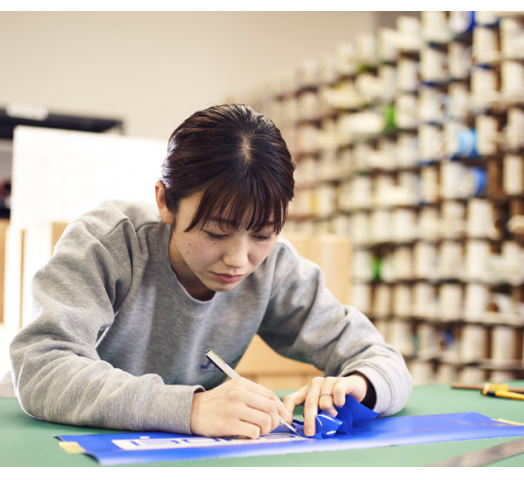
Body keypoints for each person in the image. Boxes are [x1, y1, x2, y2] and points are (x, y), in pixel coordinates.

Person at [10, 104, 412, 439]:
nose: (239, 259)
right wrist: (191, 408)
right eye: (217, 232)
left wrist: (358, 384)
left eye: (263, 233)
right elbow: (41, 367)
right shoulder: (107, 243)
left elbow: (385, 362)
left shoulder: (274, 268)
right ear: (165, 201)